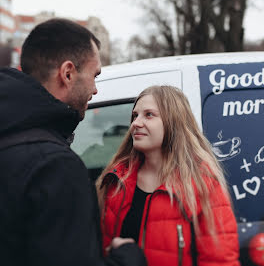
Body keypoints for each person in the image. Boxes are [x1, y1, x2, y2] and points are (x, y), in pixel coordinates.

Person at [0, 18, 146, 266]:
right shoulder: (54, 167)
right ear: (67, 73)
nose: (96, 89)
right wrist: (128, 258)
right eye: (94, 75)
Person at [96, 85, 240, 266]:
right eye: (135, 115)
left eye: (149, 115)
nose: (136, 123)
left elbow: (219, 261)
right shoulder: (117, 180)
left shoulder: (202, 184)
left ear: (173, 122)